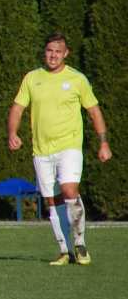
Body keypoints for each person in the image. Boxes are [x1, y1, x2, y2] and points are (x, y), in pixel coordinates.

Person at [7, 32, 111, 266]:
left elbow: (94, 111)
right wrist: (13, 133)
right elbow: (17, 108)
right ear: (45, 53)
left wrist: (103, 142)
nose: (53, 55)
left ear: (66, 53)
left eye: (57, 51)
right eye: (49, 51)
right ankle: (65, 251)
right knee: (52, 201)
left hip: (69, 146)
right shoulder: (32, 78)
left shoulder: (77, 79)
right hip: (41, 150)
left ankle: (80, 243)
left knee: (69, 190)